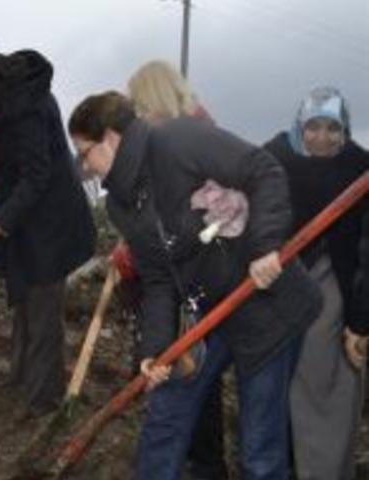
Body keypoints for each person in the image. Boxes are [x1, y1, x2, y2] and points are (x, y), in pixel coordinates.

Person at [68, 91, 322, 479]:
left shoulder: (178, 141)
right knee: (166, 416)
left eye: (86, 153)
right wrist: (155, 348)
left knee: (260, 450)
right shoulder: (122, 202)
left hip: (263, 301)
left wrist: (266, 246)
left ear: (112, 139)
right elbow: (157, 278)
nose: (85, 166)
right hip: (206, 309)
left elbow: (263, 170)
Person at [0, 45, 96, 417]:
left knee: (43, 309)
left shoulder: (27, 107)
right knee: (25, 303)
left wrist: (0, 222)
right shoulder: (8, 99)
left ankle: (42, 400)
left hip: (54, 221)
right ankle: (20, 379)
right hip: (29, 218)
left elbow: (37, 175)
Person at [127, 60, 227, 480]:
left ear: (156, 101)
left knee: (186, 377)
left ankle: (200, 463)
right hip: (183, 277)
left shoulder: (196, 139)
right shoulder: (167, 137)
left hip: (201, 277)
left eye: (139, 107)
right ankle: (201, 461)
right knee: (194, 376)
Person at [263, 86, 368, 479]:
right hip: (278, 288)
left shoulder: (359, 168)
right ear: (299, 126)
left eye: (332, 129)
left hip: (336, 292)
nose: (322, 138)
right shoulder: (276, 159)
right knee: (277, 390)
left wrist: (360, 320)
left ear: (346, 131)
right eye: (313, 127)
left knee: (326, 389)